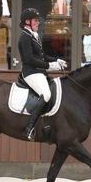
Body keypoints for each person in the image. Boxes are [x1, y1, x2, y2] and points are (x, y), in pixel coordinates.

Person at [18, 8, 67, 141]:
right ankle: (29, 127)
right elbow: (29, 59)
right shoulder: (24, 37)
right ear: (27, 22)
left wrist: (56, 60)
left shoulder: (34, 35)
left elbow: (42, 56)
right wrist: (49, 66)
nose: (38, 23)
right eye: (35, 20)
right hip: (31, 72)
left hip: (39, 71)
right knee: (46, 95)